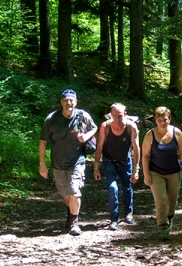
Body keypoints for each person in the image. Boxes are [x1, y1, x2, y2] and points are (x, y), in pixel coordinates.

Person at [39, 89, 97, 236]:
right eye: (66, 100)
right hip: (57, 163)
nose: (68, 103)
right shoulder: (51, 119)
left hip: (77, 161)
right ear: (61, 102)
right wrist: (42, 164)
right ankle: (71, 215)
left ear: (75, 102)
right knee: (65, 195)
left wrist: (86, 136)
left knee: (75, 191)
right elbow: (43, 141)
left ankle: (74, 223)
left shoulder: (82, 115)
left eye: (71, 100)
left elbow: (94, 127)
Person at [141, 106, 182, 239]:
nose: (163, 122)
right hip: (156, 172)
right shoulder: (150, 135)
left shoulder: (177, 133)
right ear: (156, 120)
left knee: (172, 201)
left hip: (174, 172)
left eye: (165, 119)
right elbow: (145, 156)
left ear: (169, 119)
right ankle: (162, 227)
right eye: (160, 120)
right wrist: (146, 174)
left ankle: (169, 218)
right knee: (161, 199)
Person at [93, 103, 140, 230]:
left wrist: (136, 169)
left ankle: (129, 213)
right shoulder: (105, 126)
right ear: (110, 114)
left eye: (119, 116)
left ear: (125, 114)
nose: (117, 119)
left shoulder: (131, 127)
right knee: (112, 188)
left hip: (125, 161)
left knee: (127, 187)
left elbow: (136, 148)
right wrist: (96, 167)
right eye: (114, 116)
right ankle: (114, 218)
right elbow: (99, 147)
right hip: (109, 161)